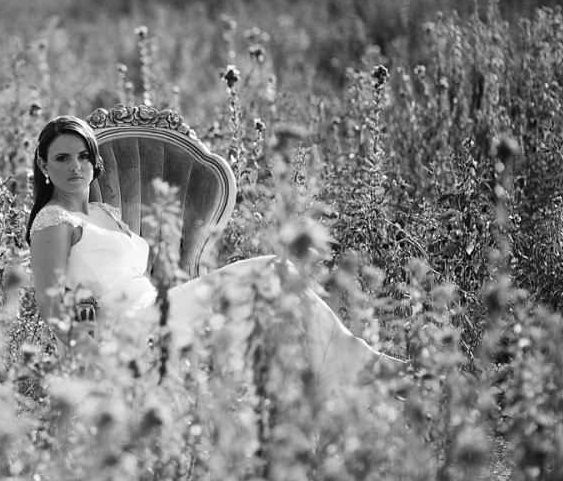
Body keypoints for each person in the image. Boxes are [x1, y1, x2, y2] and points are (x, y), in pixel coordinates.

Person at [26, 115, 390, 403]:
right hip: (125, 327)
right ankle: (364, 369)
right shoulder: (53, 221)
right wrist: (93, 353)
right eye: (62, 158)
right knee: (270, 270)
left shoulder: (105, 211)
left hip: (156, 306)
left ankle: (330, 381)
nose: (76, 166)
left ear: (94, 160)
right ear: (43, 165)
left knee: (274, 283)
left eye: (83, 156)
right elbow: (49, 302)